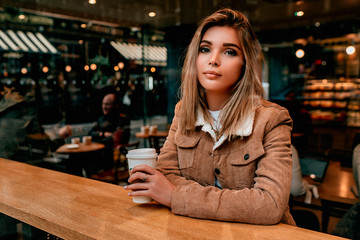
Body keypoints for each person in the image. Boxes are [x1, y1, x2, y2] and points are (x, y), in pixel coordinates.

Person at [125, 8, 295, 225]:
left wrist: (176, 197)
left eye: (229, 52)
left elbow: (269, 205)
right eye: (205, 49)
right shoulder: (183, 110)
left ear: (245, 64)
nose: (213, 60)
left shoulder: (272, 120)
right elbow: (165, 173)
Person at [88, 93, 130, 171]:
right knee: (77, 157)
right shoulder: (101, 119)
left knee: (89, 157)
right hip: (99, 152)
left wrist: (97, 138)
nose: (104, 107)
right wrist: (103, 134)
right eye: (103, 104)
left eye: (107, 104)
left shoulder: (122, 119)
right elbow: (90, 134)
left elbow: (115, 139)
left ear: (115, 105)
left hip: (112, 154)